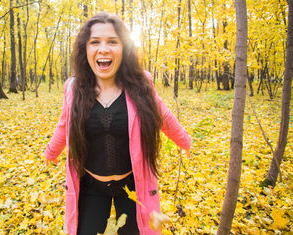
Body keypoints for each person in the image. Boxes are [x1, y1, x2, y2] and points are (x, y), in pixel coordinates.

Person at [45, 13, 191, 235]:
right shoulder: (73, 88)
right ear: (86, 50)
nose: (104, 49)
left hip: (132, 186)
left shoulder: (141, 84)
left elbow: (163, 116)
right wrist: (50, 152)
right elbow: (64, 124)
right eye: (95, 42)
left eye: (112, 41)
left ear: (124, 48)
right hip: (90, 186)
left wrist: (186, 141)